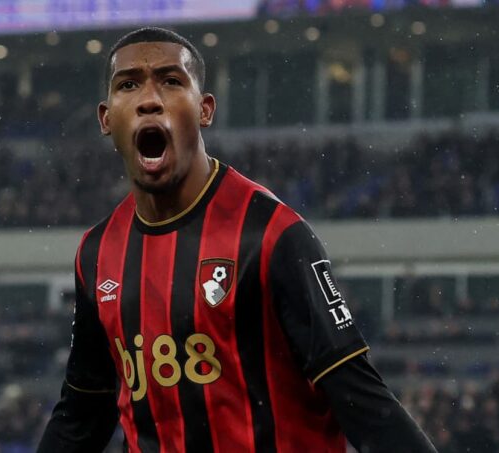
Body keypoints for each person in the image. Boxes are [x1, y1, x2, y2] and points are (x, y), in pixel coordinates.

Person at [38, 27, 435, 452]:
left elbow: (361, 399)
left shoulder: (272, 235)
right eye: (129, 84)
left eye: (172, 81)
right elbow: (82, 412)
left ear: (205, 109)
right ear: (105, 117)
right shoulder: (97, 255)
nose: (149, 99)